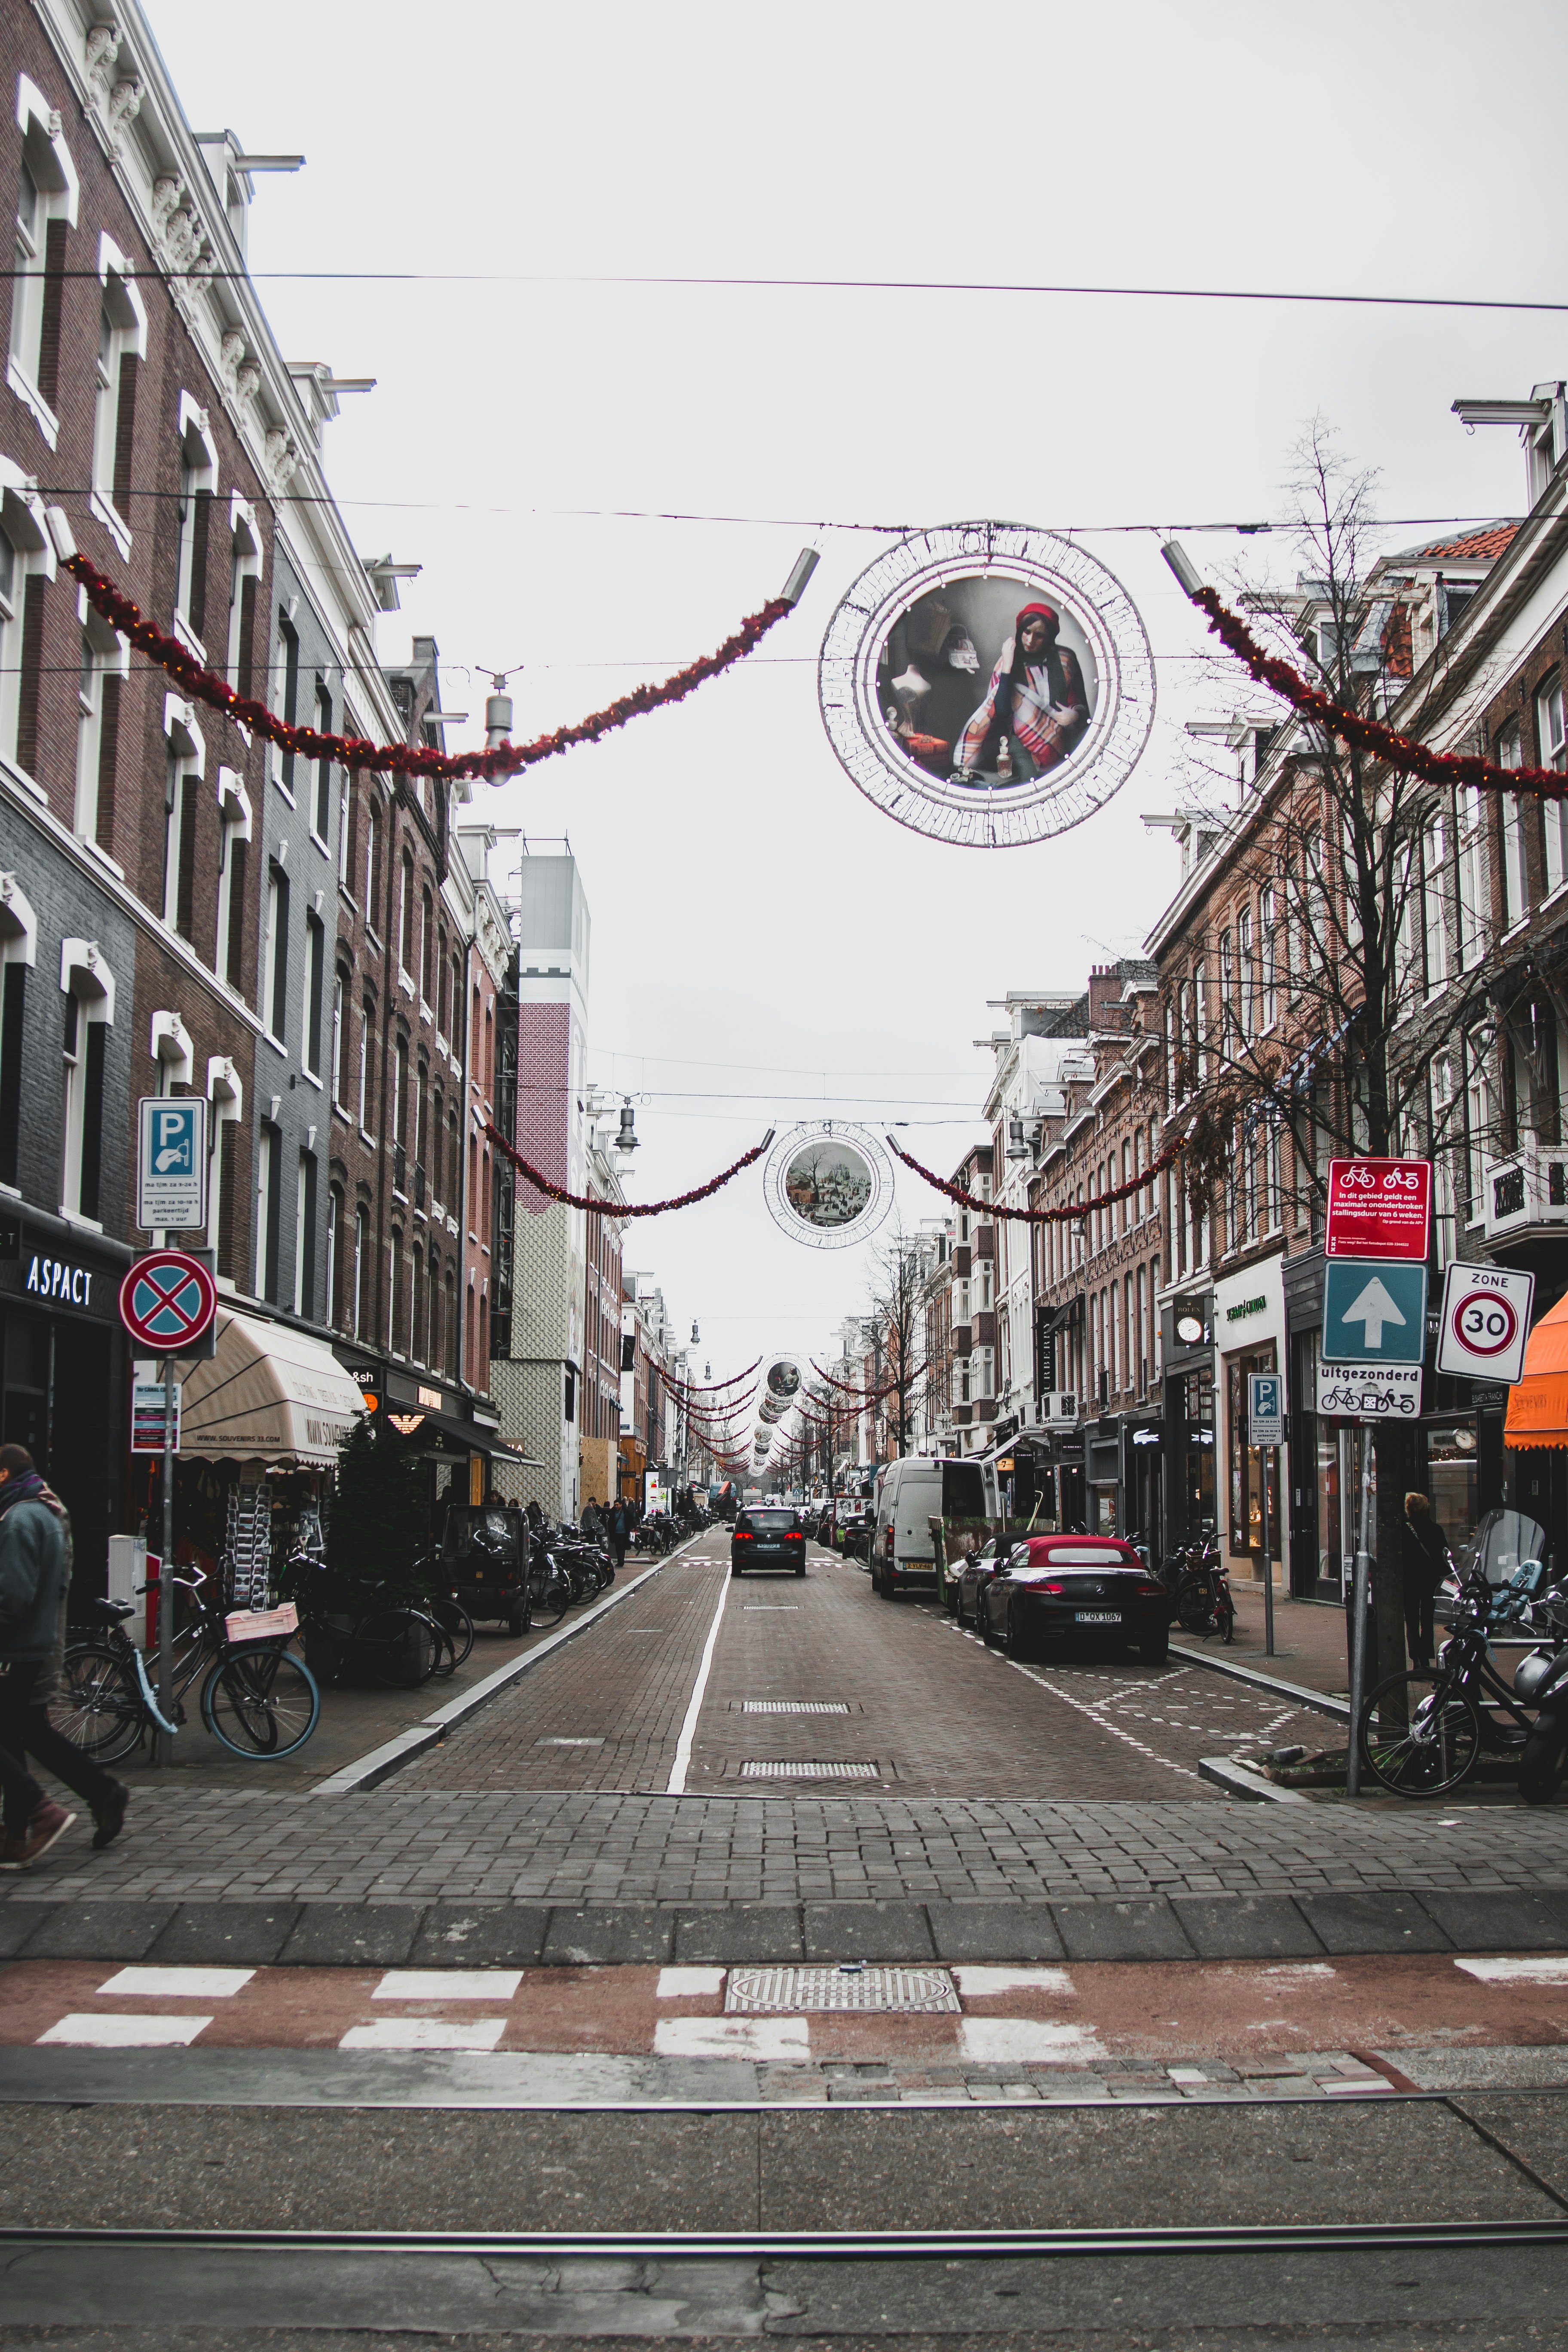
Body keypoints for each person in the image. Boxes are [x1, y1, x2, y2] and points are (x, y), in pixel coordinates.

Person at [0, 1443, 128, 1868]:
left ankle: (33, 1818)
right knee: (26, 1731)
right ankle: (29, 1824)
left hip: (19, 1647)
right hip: (38, 1643)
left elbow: (13, 1598)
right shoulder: (49, 1512)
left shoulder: (19, 1520)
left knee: (17, 1733)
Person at [954, 603, 1090, 785]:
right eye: (1027, 632)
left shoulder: (1066, 660)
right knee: (1030, 784)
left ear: (1050, 637)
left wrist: (1075, 714)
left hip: (1062, 742)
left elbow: (1081, 707)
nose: (1030, 641)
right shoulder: (1007, 661)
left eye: (1040, 636)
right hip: (1016, 743)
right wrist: (1008, 667)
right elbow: (1000, 711)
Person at [1402, 1490, 1450, 1670]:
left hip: (1410, 1579)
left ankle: (1416, 1657)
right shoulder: (1436, 1529)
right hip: (1430, 1579)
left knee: (1412, 1618)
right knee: (1428, 1618)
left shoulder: (1404, 1529)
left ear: (1409, 1509)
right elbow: (1444, 1555)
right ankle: (1427, 1655)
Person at [606, 1497, 628, 1569]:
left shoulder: (625, 1511)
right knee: (618, 1547)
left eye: (618, 1505)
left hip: (624, 1532)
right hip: (616, 1533)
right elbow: (610, 1522)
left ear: (621, 1505)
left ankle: (622, 1560)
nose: (616, 1506)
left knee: (622, 1546)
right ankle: (619, 1560)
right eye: (615, 1505)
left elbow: (630, 1520)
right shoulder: (613, 1512)